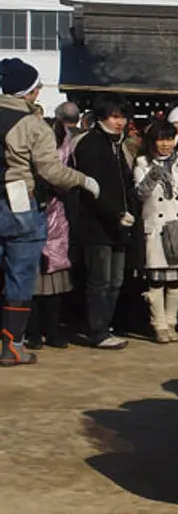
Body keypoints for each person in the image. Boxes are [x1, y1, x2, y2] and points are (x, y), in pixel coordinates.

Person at [0, 59, 100, 364]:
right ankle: (12, 346)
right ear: (28, 92)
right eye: (36, 86)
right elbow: (51, 172)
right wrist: (84, 180)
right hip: (19, 203)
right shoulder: (33, 125)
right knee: (19, 276)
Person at [70, 96, 136, 350]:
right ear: (101, 117)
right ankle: (97, 330)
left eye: (122, 116)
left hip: (121, 225)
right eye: (114, 116)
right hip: (97, 225)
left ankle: (105, 325)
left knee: (116, 280)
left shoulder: (120, 145)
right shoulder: (89, 144)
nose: (119, 121)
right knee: (100, 280)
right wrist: (116, 213)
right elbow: (92, 190)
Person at [134, 121, 178, 344]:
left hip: (176, 227)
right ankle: (158, 325)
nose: (165, 144)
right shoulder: (142, 162)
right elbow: (140, 194)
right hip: (154, 225)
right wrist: (153, 175)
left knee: (175, 281)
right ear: (152, 141)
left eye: (169, 139)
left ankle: (171, 322)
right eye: (160, 139)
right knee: (155, 280)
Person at [28, 117, 80, 350]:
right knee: (30, 282)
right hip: (31, 222)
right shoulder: (27, 158)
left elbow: (68, 186)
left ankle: (53, 328)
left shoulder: (67, 159)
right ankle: (32, 331)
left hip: (58, 224)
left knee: (55, 284)